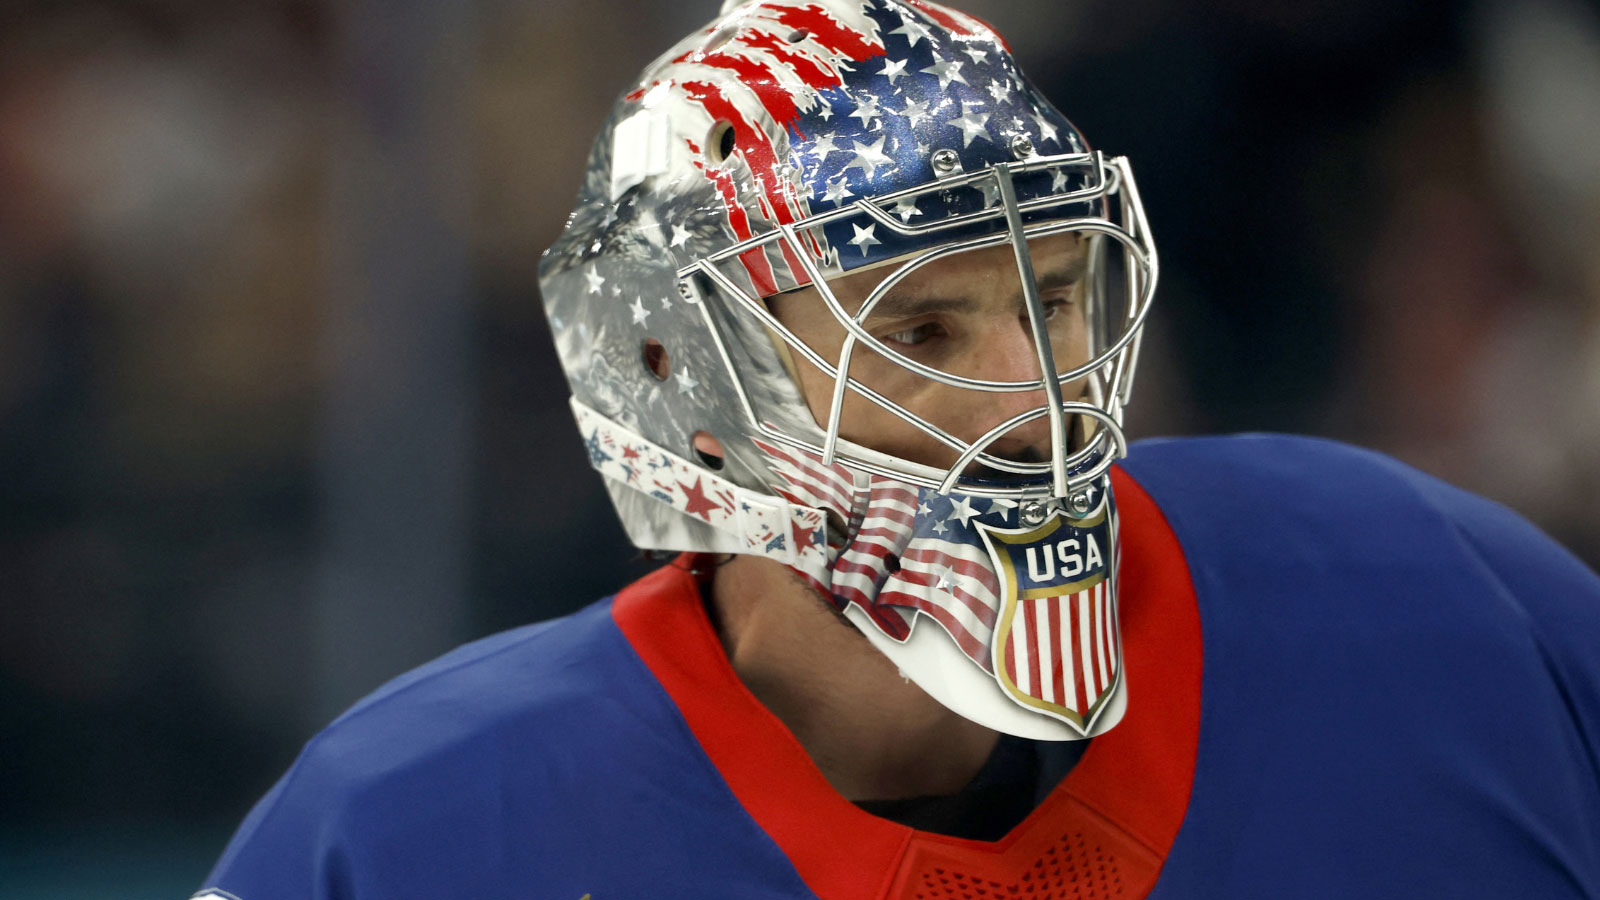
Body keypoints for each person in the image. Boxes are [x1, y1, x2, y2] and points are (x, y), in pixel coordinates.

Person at [196, 1, 1600, 897]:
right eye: (924, 333)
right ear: (683, 378)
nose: (1035, 395)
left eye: (1052, 299)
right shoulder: (409, 839)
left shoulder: (1431, 596)